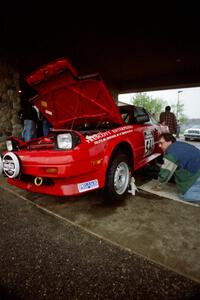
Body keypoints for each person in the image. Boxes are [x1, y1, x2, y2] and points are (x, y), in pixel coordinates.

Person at [153, 133, 200, 202]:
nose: (159, 146)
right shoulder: (180, 144)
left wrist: (158, 186)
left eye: (161, 143)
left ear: (169, 141)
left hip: (197, 174)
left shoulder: (171, 153)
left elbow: (165, 173)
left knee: (186, 195)